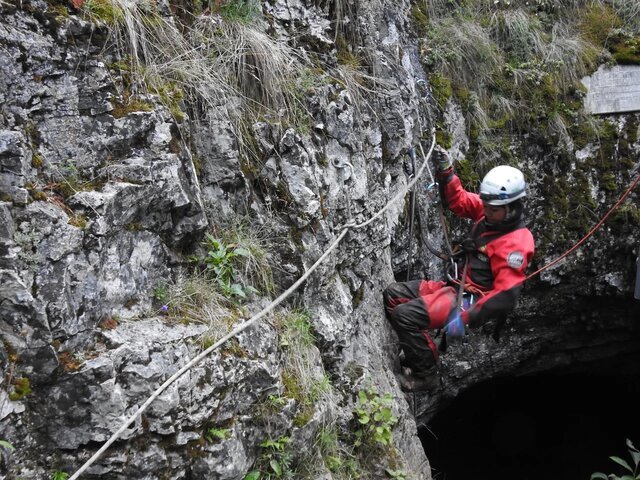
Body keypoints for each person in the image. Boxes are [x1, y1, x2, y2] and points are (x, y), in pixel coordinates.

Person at [383, 146, 535, 391]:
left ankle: (425, 375)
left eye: (492, 209)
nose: (485, 211)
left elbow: (506, 295)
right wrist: (447, 173)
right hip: (453, 286)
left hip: (469, 300)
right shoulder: (490, 212)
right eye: (485, 205)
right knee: (393, 295)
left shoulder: (516, 243)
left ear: (512, 208)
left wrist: (465, 318)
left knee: (405, 316)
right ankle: (417, 349)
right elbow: (460, 200)